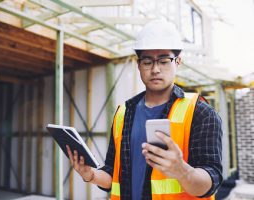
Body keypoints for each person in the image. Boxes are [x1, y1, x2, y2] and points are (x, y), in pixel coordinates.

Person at [66, 19, 223, 200]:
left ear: (178, 62)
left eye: (164, 61)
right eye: (148, 61)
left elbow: (211, 181)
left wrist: (182, 171)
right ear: (139, 64)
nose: (155, 69)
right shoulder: (123, 113)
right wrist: (91, 175)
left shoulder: (200, 112)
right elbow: (112, 174)